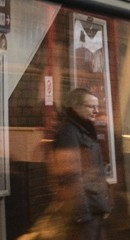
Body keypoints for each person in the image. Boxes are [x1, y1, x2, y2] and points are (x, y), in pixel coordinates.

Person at [51, 88, 113, 240]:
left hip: (94, 208)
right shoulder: (69, 132)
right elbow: (71, 177)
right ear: (75, 107)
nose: (96, 111)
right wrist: (82, 215)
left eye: (97, 107)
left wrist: (104, 204)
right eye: (91, 106)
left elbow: (95, 172)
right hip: (85, 214)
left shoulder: (84, 130)